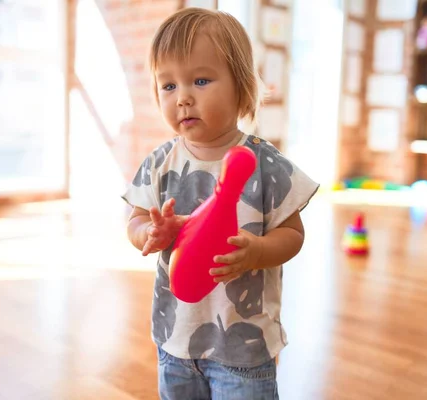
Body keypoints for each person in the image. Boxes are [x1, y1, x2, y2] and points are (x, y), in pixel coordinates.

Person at [122, 7, 319, 400]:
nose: (183, 98)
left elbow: (294, 234)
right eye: (168, 86)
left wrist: (258, 251)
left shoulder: (266, 164)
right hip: (175, 339)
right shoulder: (161, 162)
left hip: (242, 348)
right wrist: (149, 230)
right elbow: (135, 220)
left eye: (200, 80)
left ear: (241, 87)